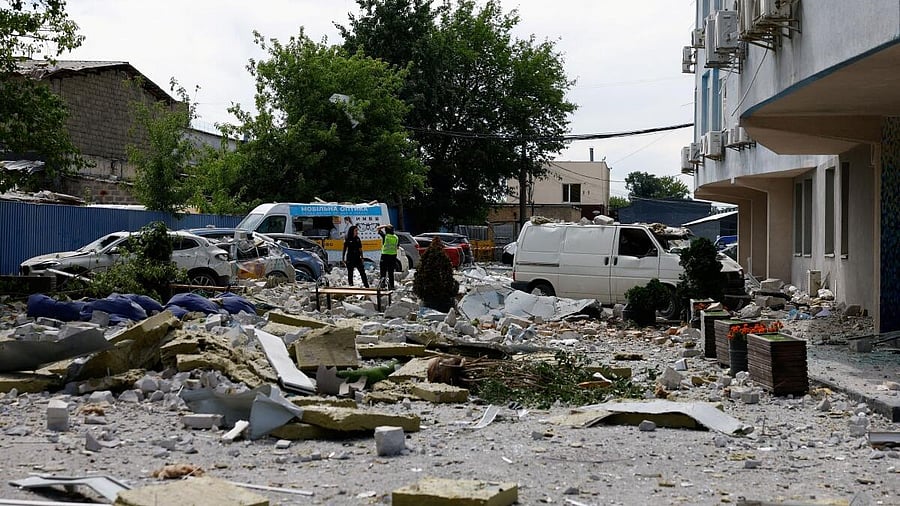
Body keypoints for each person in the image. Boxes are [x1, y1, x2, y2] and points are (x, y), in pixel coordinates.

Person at [376, 224, 399, 290]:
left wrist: (385, 225)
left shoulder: (385, 236)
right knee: (391, 272)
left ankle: (383, 286)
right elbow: (397, 247)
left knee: (383, 271)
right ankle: (391, 286)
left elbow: (378, 228)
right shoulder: (396, 237)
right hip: (393, 256)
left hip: (385, 256)